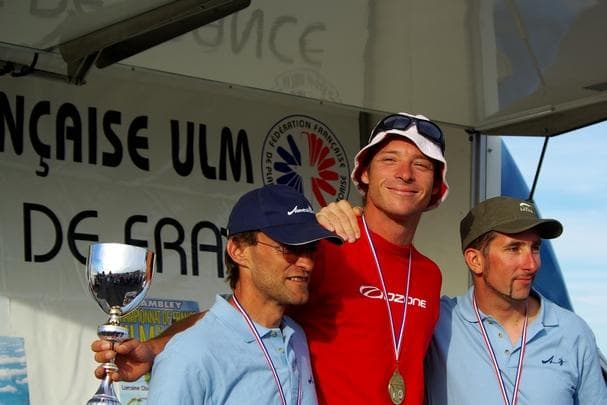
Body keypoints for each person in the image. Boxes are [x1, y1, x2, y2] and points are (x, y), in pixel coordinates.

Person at [92, 112, 450, 404]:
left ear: (437, 186)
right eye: (390, 160)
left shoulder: (430, 275)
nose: (405, 173)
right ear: (365, 174)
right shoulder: (327, 246)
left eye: (421, 164)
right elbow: (240, 315)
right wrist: (155, 348)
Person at [147, 184, 343, 404]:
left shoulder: (296, 336)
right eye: (289, 247)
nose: (306, 262)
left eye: (311, 248)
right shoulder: (189, 354)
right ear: (238, 251)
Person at [424, 196, 607, 404]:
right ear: (475, 260)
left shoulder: (574, 333)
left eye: (535, 248)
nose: (531, 264)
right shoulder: (437, 322)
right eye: (514, 249)